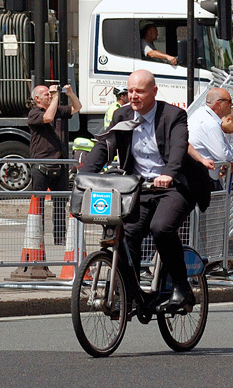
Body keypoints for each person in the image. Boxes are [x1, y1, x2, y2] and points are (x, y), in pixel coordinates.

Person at [81, 70, 211, 312]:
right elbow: (104, 145)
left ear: (154, 91)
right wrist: (85, 175)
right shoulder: (122, 115)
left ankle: (182, 289)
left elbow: (178, 147)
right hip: (139, 188)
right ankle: (132, 293)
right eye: (130, 90)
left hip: (175, 185)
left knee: (161, 228)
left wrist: (168, 174)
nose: (133, 96)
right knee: (127, 233)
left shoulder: (173, 115)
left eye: (139, 91)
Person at [28, 83, 81, 247]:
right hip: (41, 165)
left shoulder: (57, 109)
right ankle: (37, 237)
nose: (50, 96)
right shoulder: (34, 113)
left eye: (50, 94)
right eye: (46, 94)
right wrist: (57, 96)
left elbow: (77, 107)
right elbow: (48, 118)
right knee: (39, 203)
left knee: (60, 204)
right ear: (37, 98)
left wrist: (70, 94)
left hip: (59, 164)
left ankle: (60, 238)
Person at [188, 87, 233, 190]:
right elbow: (222, 154)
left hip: (201, 176)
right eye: (229, 101)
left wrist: (231, 159)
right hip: (205, 179)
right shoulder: (211, 123)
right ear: (218, 104)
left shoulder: (201, 114)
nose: (231, 104)